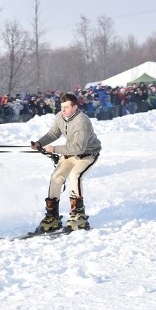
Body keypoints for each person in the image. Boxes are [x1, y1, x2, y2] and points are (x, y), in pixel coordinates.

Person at [29, 92, 102, 233]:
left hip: (87, 154)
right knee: (56, 177)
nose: (63, 110)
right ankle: (52, 217)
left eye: (66, 107)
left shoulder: (82, 122)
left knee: (75, 175)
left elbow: (79, 147)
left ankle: (78, 215)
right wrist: (40, 143)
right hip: (70, 153)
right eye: (62, 107)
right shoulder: (60, 117)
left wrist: (55, 149)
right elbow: (53, 134)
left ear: (75, 107)